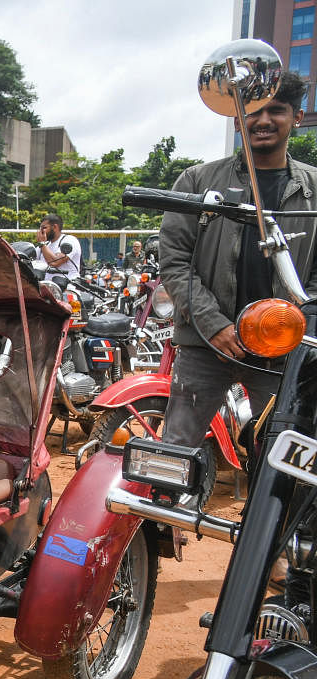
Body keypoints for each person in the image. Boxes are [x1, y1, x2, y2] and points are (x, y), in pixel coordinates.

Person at [160, 70, 317, 449]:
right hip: (205, 344)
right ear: (236, 118)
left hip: (283, 348)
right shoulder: (198, 181)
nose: (263, 120)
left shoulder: (314, 188)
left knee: (284, 457)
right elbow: (175, 260)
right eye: (252, 111)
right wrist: (213, 324)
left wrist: (287, 326)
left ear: (297, 116)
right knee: (176, 453)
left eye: (276, 110)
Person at [33, 213, 81, 279]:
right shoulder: (45, 245)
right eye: (40, 228)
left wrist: (42, 244)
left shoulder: (69, 240)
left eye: (44, 228)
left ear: (55, 227)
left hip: (68, 285)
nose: (41, 231)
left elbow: (55, 262)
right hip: (48, 286)